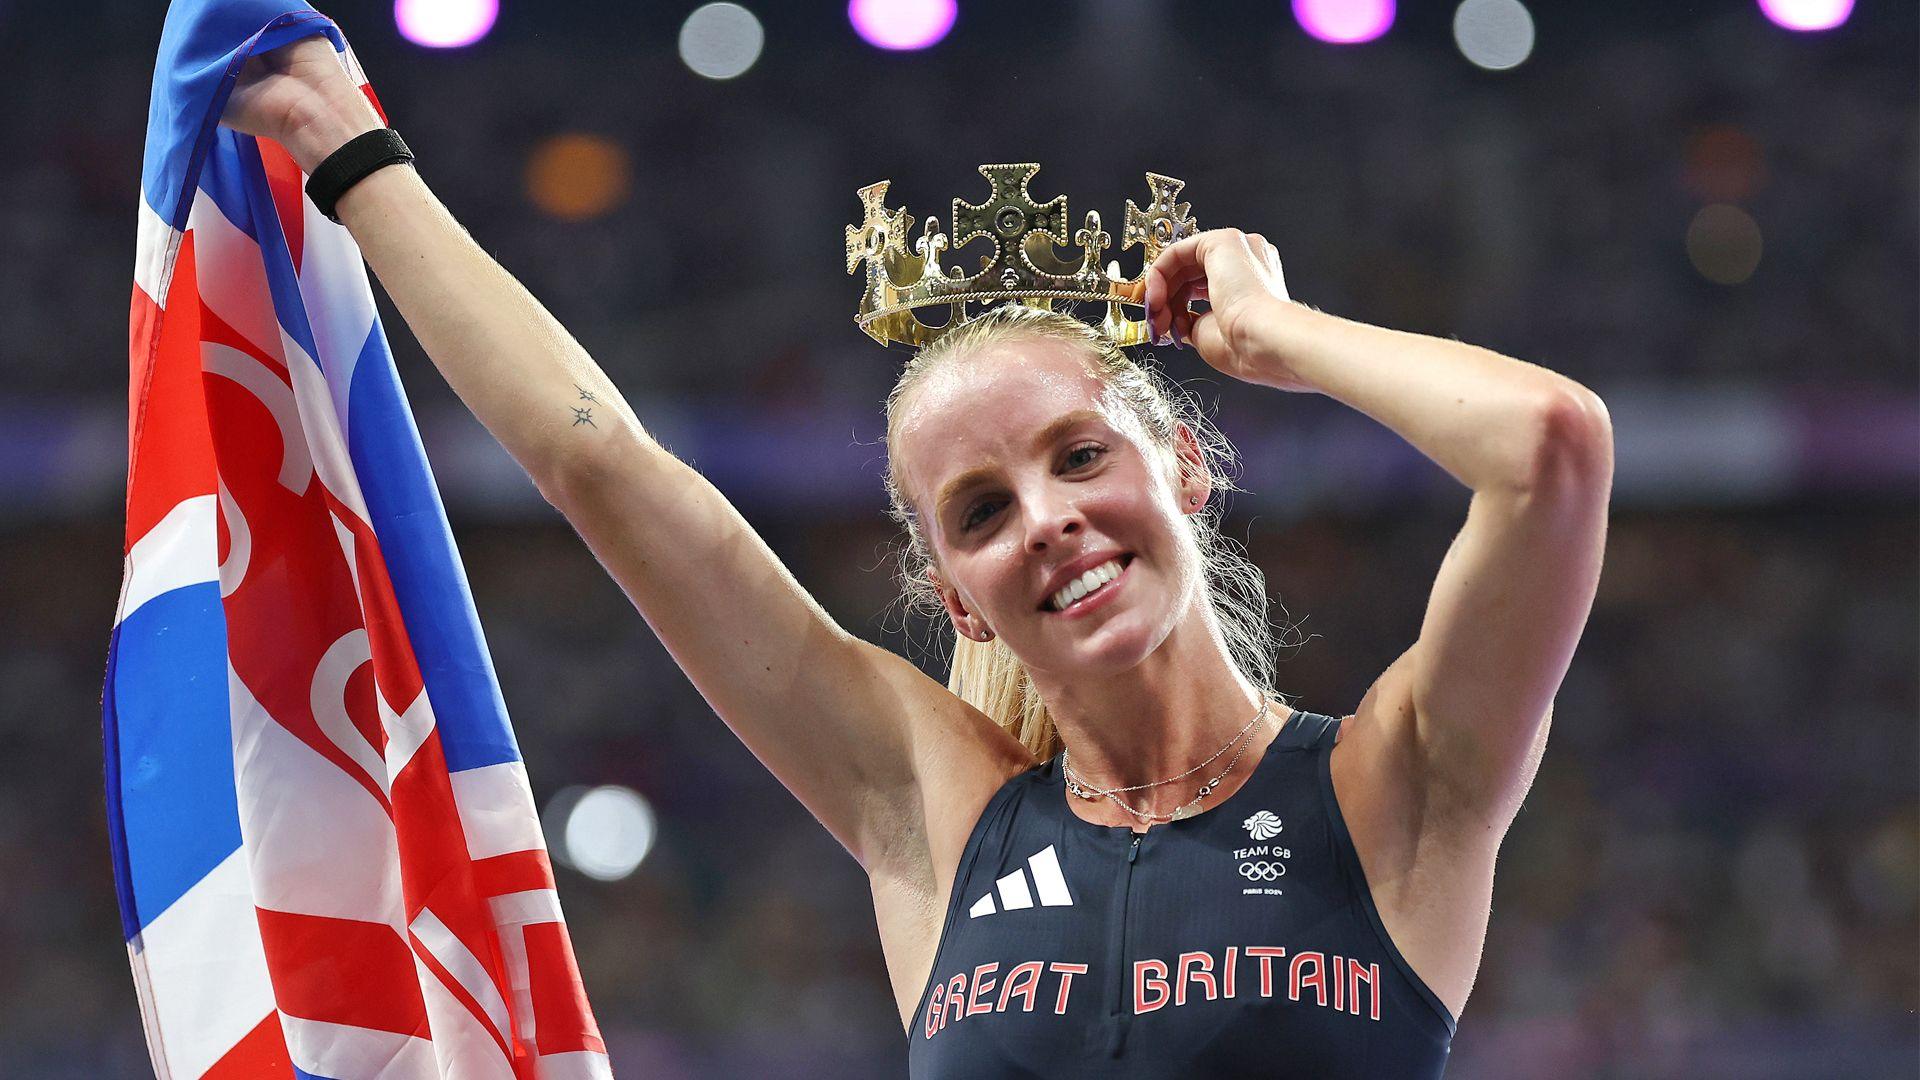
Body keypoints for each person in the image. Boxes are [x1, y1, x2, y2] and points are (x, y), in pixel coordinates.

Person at [224, 30, 1613, 1079]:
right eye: (983, 510)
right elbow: (603, 467)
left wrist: (1269, 338)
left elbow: (1549, 443)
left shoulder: (1398, 788)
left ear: (1183, 466)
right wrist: (343, 142)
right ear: (962, 598)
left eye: (1081, 454)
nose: (1049, 518)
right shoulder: (932, 809)